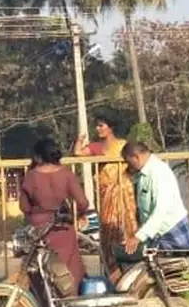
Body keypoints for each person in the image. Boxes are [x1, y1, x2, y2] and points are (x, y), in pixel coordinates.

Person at [19, 138, 90, 293]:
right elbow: (83, 202)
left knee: (42, 271)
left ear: (38, 156)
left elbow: (24, 207)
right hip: (63, 227)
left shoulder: (31, 176)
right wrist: (81, 215)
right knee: (70, 268)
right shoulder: (66, 174)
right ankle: (72, 304)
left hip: (40, 230)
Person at [73, 114, 138, 280]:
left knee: (128, 232)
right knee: (109, 237)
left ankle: (133, 273)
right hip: (107, 198)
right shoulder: (97, 147)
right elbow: (79, 154)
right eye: (97, 126)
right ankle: (114, 276)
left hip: (125, 198)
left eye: (102, 125)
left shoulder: (123, 145)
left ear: (111, 127)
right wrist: (80, 139)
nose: (98, 129)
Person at [122, 142, 189, 255]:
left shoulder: (159, 172)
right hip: (158, 232)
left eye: (128, 162)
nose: (129, 166)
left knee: (184, 270)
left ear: (136, 157)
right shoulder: (144, 173)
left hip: (172, 229)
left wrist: (138, 237)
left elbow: (160, 211)